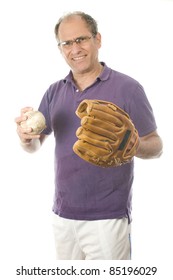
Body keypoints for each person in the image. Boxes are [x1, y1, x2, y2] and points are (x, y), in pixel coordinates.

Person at [15, 11, 163, 260]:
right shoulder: (54, 92)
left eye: (81, 39)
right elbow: (35, 146)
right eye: (67, 43)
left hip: (107, 218)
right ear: (60, 49)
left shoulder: (128, 88)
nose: (75, 49)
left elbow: (156, 146)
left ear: (98, 39)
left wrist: (132, 145)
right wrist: (25, 138)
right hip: (62, 216)